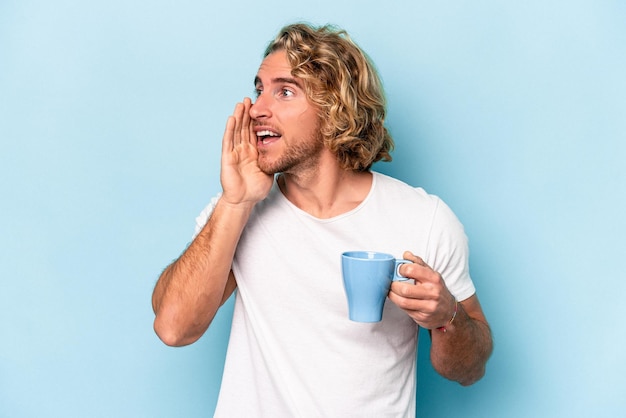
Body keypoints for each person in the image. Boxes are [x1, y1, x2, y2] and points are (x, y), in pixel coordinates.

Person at [152, 23, 492, 417]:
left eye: (285, 91)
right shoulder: (237, 210)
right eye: (260, 88)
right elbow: (174, 328)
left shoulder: (425, 219)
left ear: (336, 110)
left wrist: (446, 315)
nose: (258, 108)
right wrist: (235, 201)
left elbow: (470, 369)